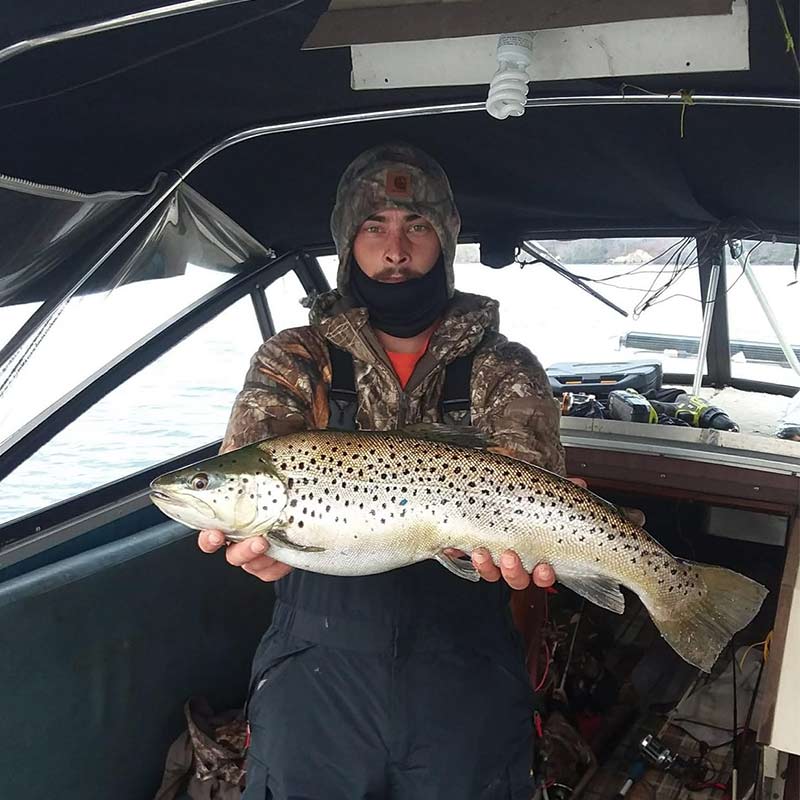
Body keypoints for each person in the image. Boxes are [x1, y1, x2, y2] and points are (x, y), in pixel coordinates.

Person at [197, 143, 633, 799]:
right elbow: (253, 468)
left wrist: (525, 552)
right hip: (316, 674)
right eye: (375, 227)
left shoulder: (505, 367)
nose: (395, 249)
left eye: (416, 226)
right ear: (348, 241)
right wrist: (250, 546)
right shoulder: (295, 356)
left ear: (445, 239)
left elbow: (526, 493)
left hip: (465, 674)